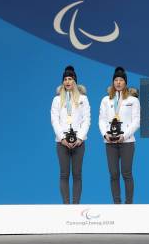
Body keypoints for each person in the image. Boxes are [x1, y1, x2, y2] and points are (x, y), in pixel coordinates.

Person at [99, 67, 140, 204]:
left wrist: (125, 135)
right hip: (110, 142)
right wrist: (105, 135)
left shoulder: (133, 100)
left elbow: (136, 121)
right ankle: (117, 203)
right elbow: (102, 120)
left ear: (125, 82)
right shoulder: (106, 100)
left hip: (127, 142)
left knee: (126, 173)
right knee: (114, 174)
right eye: (116, 80)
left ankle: (128, 204)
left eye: (121, 80)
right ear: (112, 82)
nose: (118, 82)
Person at [50, 65, 91, 204]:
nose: (67, 82)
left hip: (79, 142)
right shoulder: (56, 100)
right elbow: (54, 120)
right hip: (62, 142)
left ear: (75, 81)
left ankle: (76, 205)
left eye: (70, 79)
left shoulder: (83, 99)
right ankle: (66, 206)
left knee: (77, 174)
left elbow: (87, 119)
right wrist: (62, 138)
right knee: (64, 174)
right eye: (65, 79)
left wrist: (80, 138)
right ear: (63, 81)